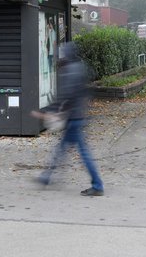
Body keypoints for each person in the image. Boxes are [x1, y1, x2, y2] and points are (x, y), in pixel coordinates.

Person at [33, 41, 104, 196]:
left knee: (82, 153)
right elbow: (86, 92)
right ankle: (46, 176)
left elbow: (65, 96)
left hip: (74, 119)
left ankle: (98, 185)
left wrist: (46, 111)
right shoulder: (80, 67)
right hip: (77, 116)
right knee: (61, 148)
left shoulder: (69, 71)